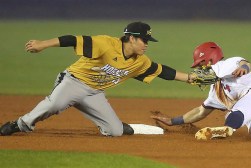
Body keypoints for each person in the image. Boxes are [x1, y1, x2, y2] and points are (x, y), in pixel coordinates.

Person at [0, 21, 193, 137]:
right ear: (131, 38)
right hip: (73, 82)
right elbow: (73, 39)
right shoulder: (106, 44)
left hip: (94, 94)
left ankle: (114, 124)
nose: (147, 44)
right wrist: (43, 44)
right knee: (53, 105)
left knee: (115, 132)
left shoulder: (140, 62)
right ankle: (19, 124)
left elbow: (163, 72)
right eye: (144, 40)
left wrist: (190, 78)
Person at [151, 42, 251, 140]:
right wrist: (172, 121)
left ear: (210, 59)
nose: (198, 68)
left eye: (200, 63)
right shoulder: (215, 91)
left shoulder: (225, 65)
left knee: (234, 113)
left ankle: (225, 130)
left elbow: (244, 63)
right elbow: (200, 112)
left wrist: (244, 68)